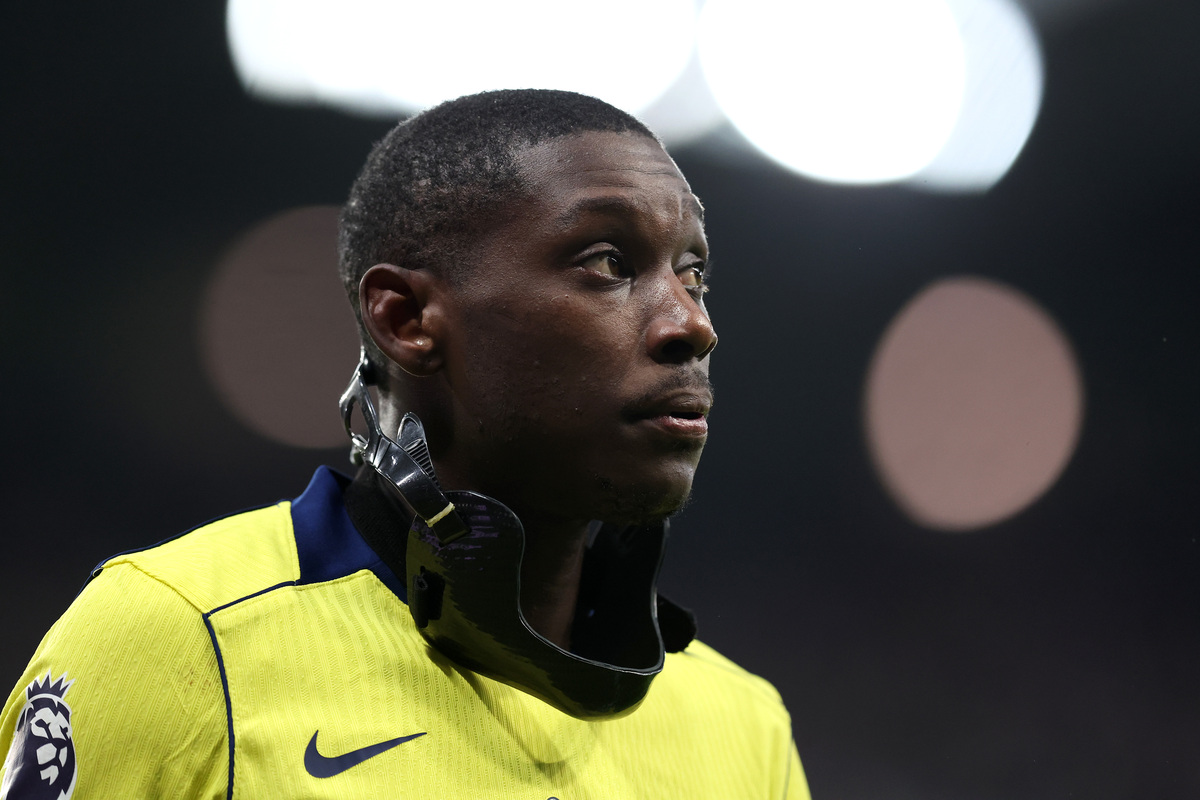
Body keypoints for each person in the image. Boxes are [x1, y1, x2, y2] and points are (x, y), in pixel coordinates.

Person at [0, 89, 810, 799]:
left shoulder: (745, 727)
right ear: (405, 320)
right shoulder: (175, 638)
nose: (693, 324)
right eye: (608, 262)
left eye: (692, 273)